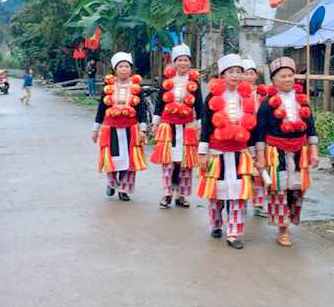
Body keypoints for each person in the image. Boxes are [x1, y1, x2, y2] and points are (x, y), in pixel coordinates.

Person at [255, 56, 319, 247]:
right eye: (283, 76)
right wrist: (260, 157)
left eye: (290, 75)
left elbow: (311, 128)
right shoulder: (267, 103)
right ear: (274, 80)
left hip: (300, 151)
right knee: (279, 191)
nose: (287, 79)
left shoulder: (302, 102)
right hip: (276, 152)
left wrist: (314, 151)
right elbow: (259, 131)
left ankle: (290, 220)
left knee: (297, 190)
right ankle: (283, 229)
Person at [197, 54, 257, 250]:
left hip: (240, 152)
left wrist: (255, 152)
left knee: (239, 193)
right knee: (216, 193)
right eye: (231, 72)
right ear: (222, 74)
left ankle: (233, 233)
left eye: (239, 72)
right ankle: (216, 224)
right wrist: (203, 152)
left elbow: (253, 127)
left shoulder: (247, 97)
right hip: (217, 152)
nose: (235, 76)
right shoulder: (212, 98)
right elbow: (206, 125)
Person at [150, 43, 204, 208]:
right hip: (168, 126)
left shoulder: (194, 83)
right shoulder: (167, 82)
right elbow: (159, 103)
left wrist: (201, 126)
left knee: (185, 163)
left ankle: (181, 195)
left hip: (187, 126)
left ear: (190, 62)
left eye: (186, 60)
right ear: (174, 62)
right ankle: (167, 193)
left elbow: (199, 106)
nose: (183, 63)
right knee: (168, 162)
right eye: (180, 60)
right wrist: (155, 123)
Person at [92, 52, 148, 201]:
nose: (124, 69)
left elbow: (141, 109)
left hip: (131, 128)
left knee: (129, 160)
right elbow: (101, 108)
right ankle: (111, 184)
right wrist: (95, 130)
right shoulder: (108, 87)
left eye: (127, 66)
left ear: (131, 69)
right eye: (121, 66)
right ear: (115, 69)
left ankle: (124, 189)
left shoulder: (136, 88)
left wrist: (143, 129)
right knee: (112, 158)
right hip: (111, 129)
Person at [241, 58, 267, 218]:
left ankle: (258, 204)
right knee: (243, 171)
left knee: (259, 172)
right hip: (243, 137)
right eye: (246, 74)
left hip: (259, 137)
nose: (249, 77)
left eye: (252, 73)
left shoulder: (262, 94)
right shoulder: (237, 94)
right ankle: (242, 200)